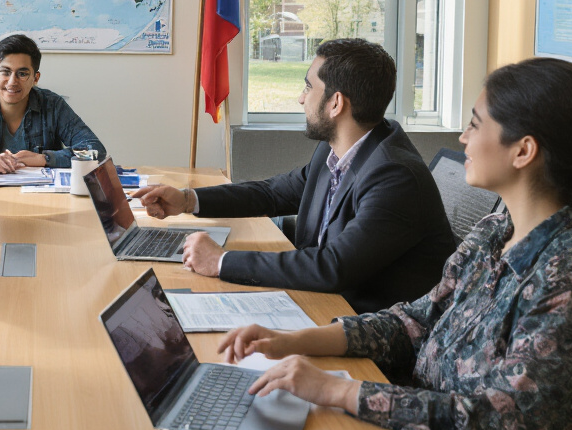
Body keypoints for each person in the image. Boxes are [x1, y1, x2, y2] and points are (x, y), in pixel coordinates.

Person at [218, 58, 572, 430]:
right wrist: (294, 339)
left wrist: (336, 390)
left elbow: (497, 429)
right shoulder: (495, 233)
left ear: (523, 151)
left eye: (476, 126)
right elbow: (415, 321)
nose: (463, 139)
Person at [134, 38, 455, 313]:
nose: (301, 98)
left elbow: (334, 267)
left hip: (365, 328)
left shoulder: (394, 176)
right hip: (322, 303)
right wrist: (187, 200)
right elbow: (273, 193)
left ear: (336, 103)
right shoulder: (339, 149)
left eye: (308, 87)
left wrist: (222, 262)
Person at [0, 33, 105, 172]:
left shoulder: (53, 105)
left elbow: (95, 150)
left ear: (35, 78)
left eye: (22, 74)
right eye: (5, 72)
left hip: (41, 199)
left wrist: (43, 159)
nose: (12, 82)